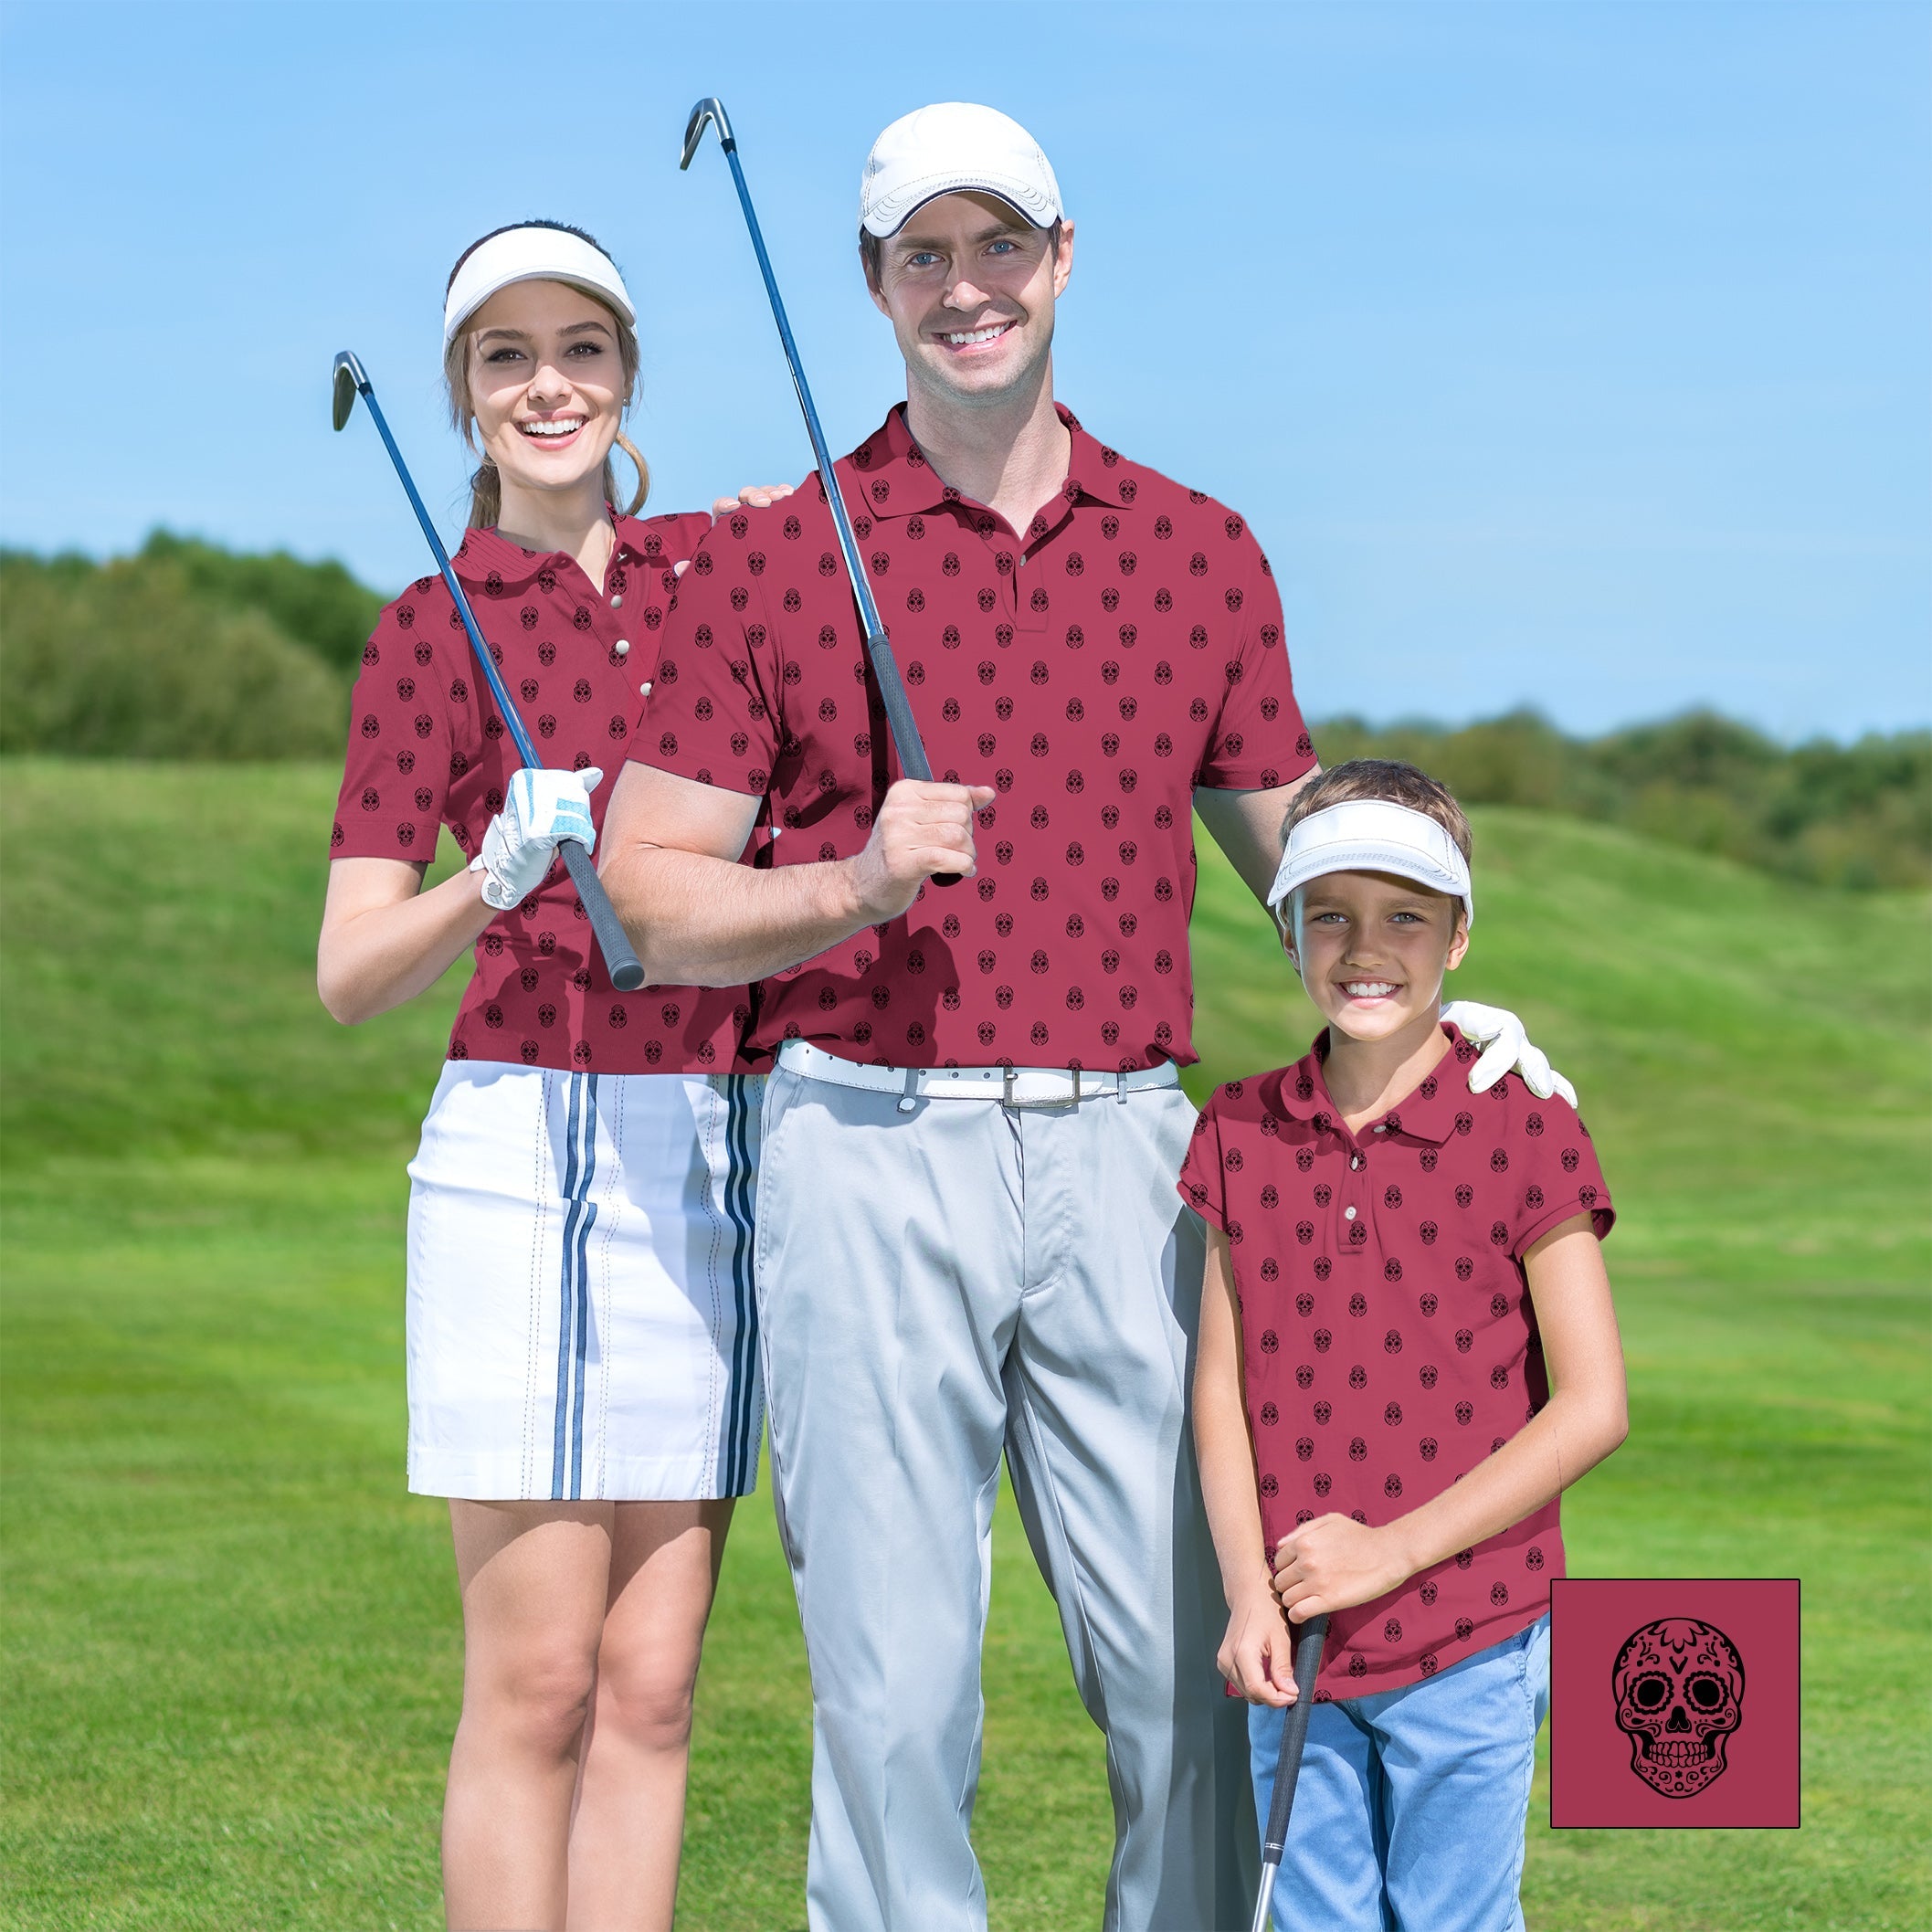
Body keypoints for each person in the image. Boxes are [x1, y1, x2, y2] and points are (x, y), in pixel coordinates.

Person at [598, 107, 1568, 1931]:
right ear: (875, 285)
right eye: (923, 256)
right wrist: (841, 885)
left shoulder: (1201, 551)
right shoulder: (779, 552)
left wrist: (1446, 988)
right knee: (893, 1700)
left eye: (1000, 246)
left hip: (1134, 1158)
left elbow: (1300, 858)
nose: (967, 288)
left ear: (1061, 257)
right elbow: (644, 892)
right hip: (861, 1138)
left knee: (1200, 1669)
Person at [317, 220, 788, 1932]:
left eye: (579, 349)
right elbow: (350, 971)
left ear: (626, 375)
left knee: (654, 1685)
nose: (548, 385)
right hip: (520, 1141)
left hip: (700, 1148)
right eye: (506, 356)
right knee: (537, 1686)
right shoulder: (422, 630)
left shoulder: (721, 583)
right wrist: (487, 877)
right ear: (462, 394)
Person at [1183, 759, 1629, 1932]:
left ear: (1458, 939)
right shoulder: (1239, 1128)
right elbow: (1219, 1387)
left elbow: (1593, 1405)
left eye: (1404, 917)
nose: (1363, 946)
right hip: (1296, 1637)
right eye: (1328, 913)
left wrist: (1393, 1553)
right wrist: (1245, 1595)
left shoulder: (1527, 1124)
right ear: (1286, 928)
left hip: (1473, 1631)